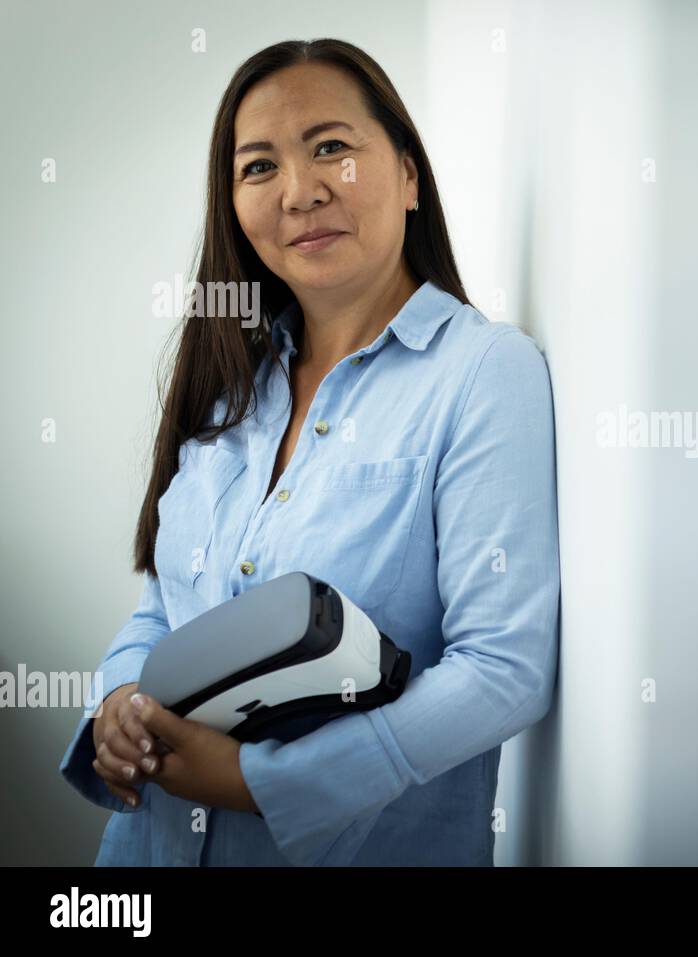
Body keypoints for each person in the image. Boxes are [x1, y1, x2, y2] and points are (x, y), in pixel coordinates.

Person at [56, 38, 561, 866]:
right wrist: (117, 698)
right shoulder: (233, 387)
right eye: (259, 167)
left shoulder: (483, 373)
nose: (300, 192)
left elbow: (503, 668)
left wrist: (266, 780)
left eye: (332, 147)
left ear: (407, 176)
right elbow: (166, 605)